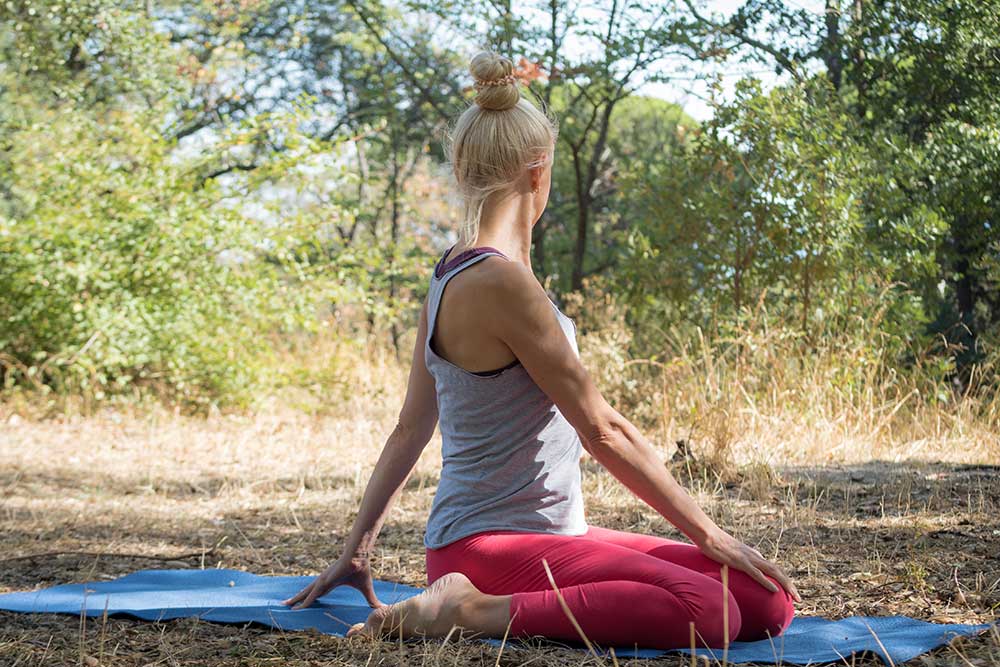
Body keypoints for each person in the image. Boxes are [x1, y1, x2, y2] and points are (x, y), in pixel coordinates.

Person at [282, 50, 800, 650]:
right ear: (539, 170)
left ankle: (477, 599)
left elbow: (408, 428)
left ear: (462, 167)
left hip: (552, 537)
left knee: (764, 600)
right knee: (708, 610)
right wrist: (709, 533)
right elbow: (602, 429)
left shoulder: (450, 274)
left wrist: (358, 551)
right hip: (486, 551)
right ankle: (467, 609)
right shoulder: (502, 283)